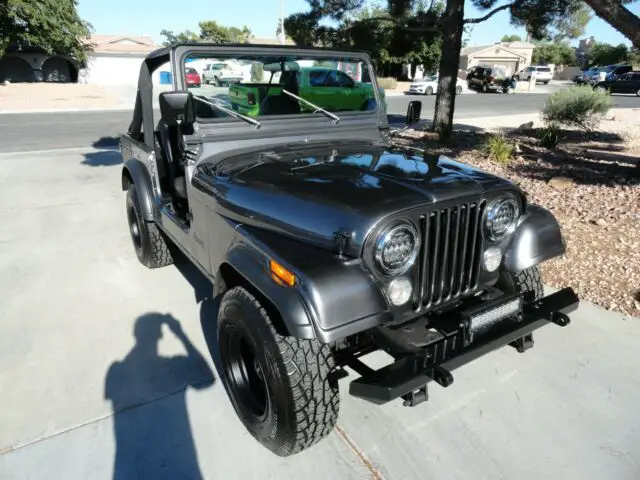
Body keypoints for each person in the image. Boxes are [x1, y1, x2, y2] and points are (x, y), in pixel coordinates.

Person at [105, 313, 214, 480]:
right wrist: (181, 334)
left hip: (129, 469)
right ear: (161, 335)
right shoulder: (173, 367)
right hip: (180, 466)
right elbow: (207, 378)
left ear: (136, 334)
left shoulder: (115, 371)